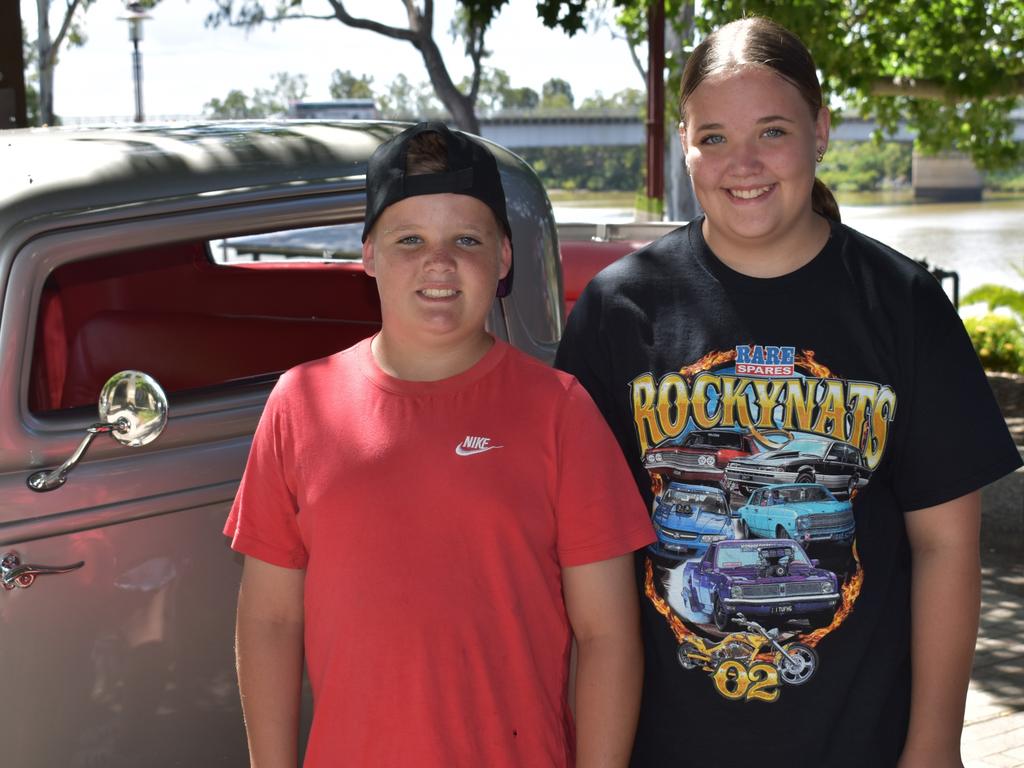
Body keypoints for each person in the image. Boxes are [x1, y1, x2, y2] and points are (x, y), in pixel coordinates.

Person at [555, 17, 1022, 768]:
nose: (742, 164)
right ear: (685, 145)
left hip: (859, 741)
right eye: (713, 137)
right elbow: (587, 564)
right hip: (663, 745)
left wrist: (935, 741)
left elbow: (945, 546)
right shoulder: (619, 310)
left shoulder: (901, 303)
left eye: (771, 131)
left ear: (822, 130)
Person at [224, 121, 655, 768]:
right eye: (409, 240)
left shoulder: (560, 412)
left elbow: (608, 637)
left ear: (503, 258)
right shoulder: (300, 405)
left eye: (466, 239)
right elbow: (270, 624)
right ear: (367, 253)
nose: (439, 262)